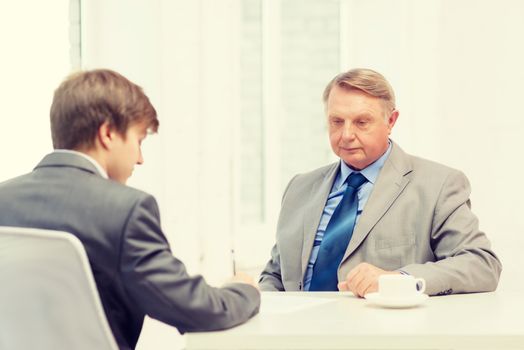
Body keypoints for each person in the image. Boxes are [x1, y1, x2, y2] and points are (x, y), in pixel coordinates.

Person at [0, 69, 260, 350]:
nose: (140, 159)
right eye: (139, 141)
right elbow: (198, 311)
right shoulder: (126, 210)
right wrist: (243, 287)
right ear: (108, 134)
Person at [259, 68, 501, 297]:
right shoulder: (299, 188)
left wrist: (399, 280)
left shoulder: (438, 185)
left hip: (382, 335)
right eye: (336, 121)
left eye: (361, 122)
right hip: (295, 337)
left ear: (391, 121)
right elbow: (276, 276)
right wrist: (248, 296)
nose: (346, 135)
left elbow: (482, 264)